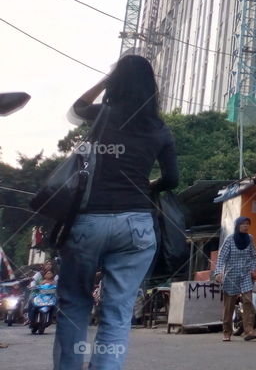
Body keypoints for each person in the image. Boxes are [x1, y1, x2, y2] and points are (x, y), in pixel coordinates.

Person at [53, 54, 179, 370]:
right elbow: (172, 179)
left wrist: (105, 81)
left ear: (116, 82)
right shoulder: (160, 129)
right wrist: (149, 185)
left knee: (74, 305)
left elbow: (75, 111)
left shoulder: (102, 116)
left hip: (88, 221)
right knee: (118, 310)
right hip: (136, 226)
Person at [213, 217, 256, 341]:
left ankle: (248, 330)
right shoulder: (230, 239)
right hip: (231, 276)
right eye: (243, 224)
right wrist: (218, 273)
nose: (245, 226)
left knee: (248, 301)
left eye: (247, 224)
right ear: (237, 225)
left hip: (245, 275)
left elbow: (255, 257)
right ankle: (227, 331)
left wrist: (252, 269)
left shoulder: (250, 239)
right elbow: (221, 258)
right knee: (229, 305)